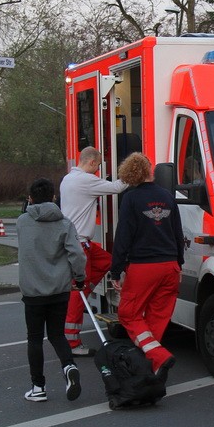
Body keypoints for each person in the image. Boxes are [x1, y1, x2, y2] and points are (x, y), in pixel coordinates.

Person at [110, 152, 184, 380]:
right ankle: (150, 366)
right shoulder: (167, 196)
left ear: (128, 173)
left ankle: (159, 357)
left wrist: (116, 269)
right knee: (157, 317)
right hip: (170, 265)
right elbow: (178, 233)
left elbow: (124, 236)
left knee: (128, 313)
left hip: (144, 266)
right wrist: (178, 263)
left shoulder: (131, 199)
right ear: (150, 170)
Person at [17, 177, 86, 402]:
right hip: (59, 289)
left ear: (30, 199)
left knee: (34, 339)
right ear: (54, 198)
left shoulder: (22, 222)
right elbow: (76, 254)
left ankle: (38, 388)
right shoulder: (65, 223)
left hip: (33, 292)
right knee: (57, 335)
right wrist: (80, 277)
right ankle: (69, 367)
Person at [59, 147, 127, 355]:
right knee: (77, 296)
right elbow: (117, 187)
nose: (97, 170)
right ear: (90, 162)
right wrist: (134, 173)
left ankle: (85, 286)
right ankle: (72, 344)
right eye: (97, 166)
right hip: (80, 245)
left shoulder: (68, 179)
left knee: (109, 261)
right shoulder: (86, 181)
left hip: (78, 243)